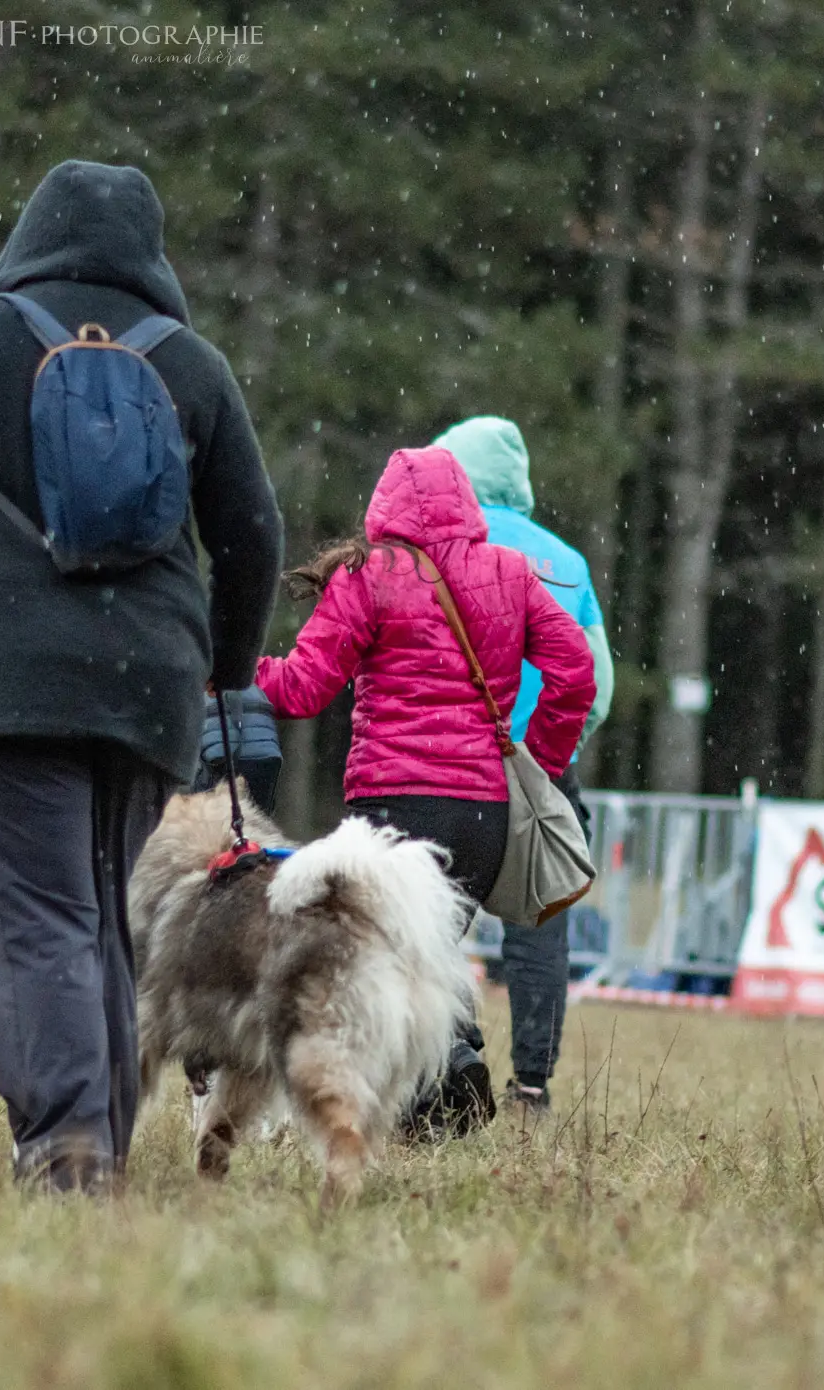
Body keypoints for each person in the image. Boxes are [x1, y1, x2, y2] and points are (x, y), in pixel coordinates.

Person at [0, 160, 282, 1190]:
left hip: (10, 681)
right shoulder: (192, 365)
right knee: (98, 911)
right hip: (148, 683)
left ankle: (64, 1148)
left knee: (40, 910)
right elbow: (253, 536)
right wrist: (221, 666)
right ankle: (101, 1139)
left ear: (33, 229)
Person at [253, 443, 592, 1133]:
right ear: (466, 502)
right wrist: (545, 756)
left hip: (395, 809)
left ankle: (445, 1069)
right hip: (483, 816)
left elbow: (302, 688)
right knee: (424, 953)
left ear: (386, 506)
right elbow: (576, 672)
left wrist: (236, 676)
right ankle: (436, 1091)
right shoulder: (511, 571)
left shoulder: (370, 574)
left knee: (381, 963)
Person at [432, 416, 614, 1117]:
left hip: (450, 760)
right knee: (541, 926)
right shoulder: (567, 562)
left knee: (432, 921)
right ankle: (531, 1086)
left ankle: (451, 1056)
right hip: (541, 766)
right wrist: (550, 748)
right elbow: (597, 681)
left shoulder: (437, 546)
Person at [192, 686, 282, 815]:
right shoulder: (254, 687)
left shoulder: (200, 686)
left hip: (221, 761)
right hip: (263, 758)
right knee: (258, 814)